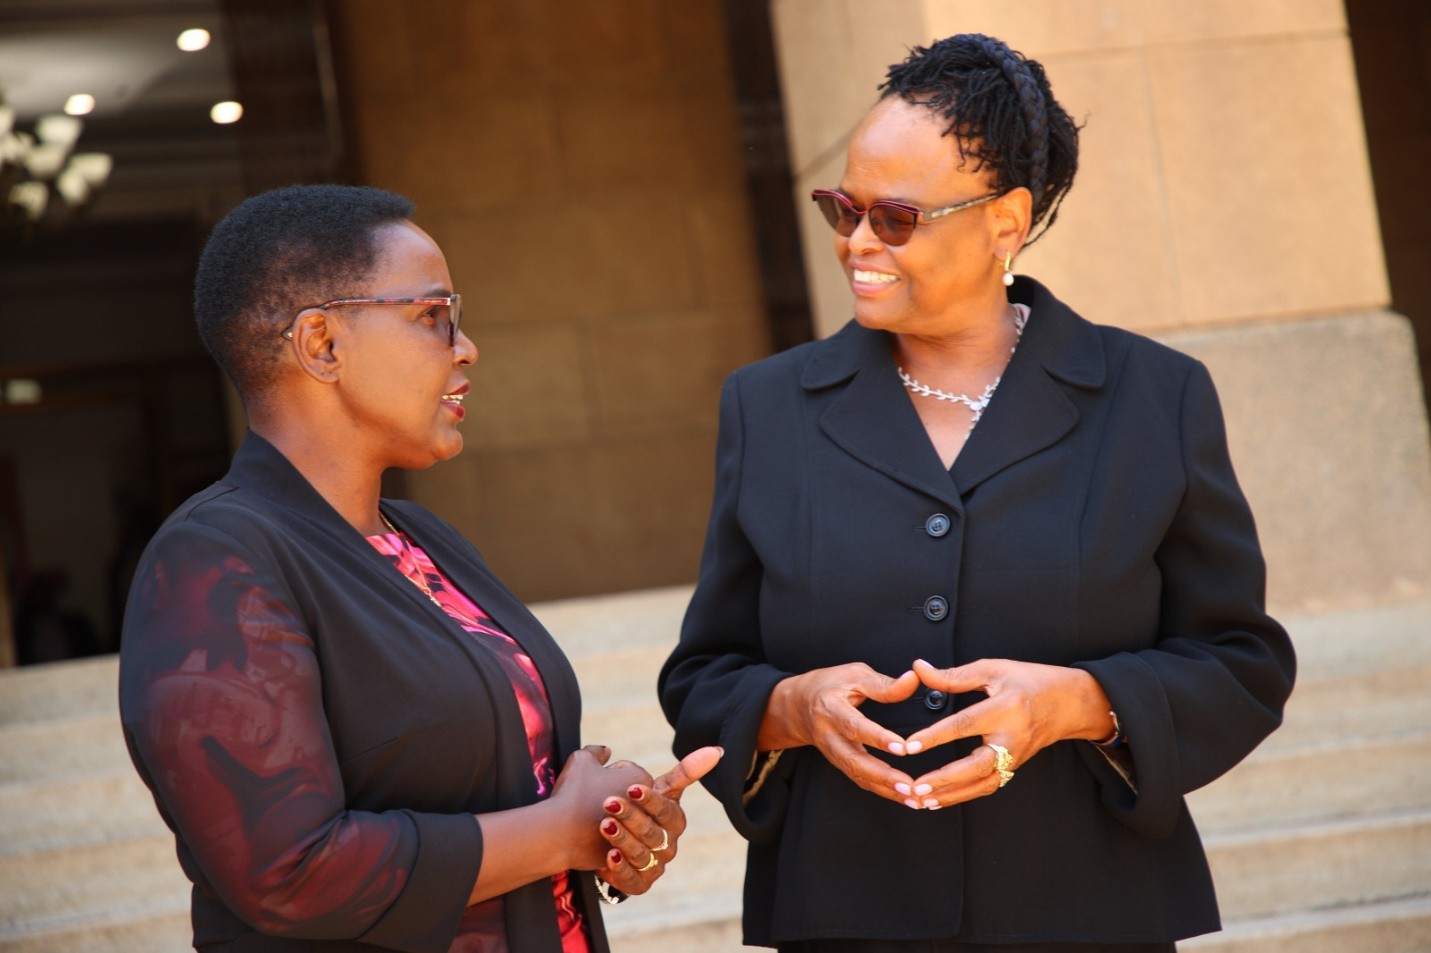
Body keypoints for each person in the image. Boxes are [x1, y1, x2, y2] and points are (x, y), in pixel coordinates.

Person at [658, 34, 1296, 952]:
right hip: (844, 911)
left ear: (1005, 221)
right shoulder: (767, 407)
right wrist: (793, 709)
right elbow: (703, 675)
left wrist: (1076, 702)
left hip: (1090, 911)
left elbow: (1240, 662)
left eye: (896, 217)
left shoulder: (1155, 396)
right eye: (842, 208)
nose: (856, 242)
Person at [119, 183, 720, 953]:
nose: (465, 347)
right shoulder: (213, 559)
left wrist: (610, 822)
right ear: (321, 344)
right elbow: (287, 872)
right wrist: (559, 830)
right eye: (433, 315)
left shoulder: (425, 539)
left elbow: (507, 790)